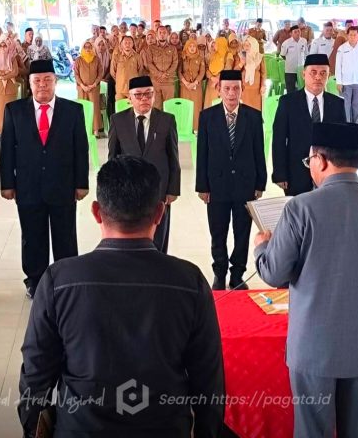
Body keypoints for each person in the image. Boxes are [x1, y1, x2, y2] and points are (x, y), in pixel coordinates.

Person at [18, 155, 224, 438]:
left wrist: (34, 430)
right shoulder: (190, 281)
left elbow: (36, 373)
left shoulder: (59, 280)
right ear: (159, 214)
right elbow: (208, 380)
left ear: (96, 212)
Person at [254, 121, 358, 438]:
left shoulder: (300, 208)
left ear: (322, 160)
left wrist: (262, 246)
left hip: (313, 347)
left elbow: (274, 273)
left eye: (309, 161)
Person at [0, 60, 90, 299]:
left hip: (63, 185)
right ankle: (35, 280)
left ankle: (67, 280)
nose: (42, 85)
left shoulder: (72, 110)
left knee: (65, 236)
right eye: (37, 80)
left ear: (56, 82)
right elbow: (7, 149)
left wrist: (82, 183)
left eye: (47, 80)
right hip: (28, 187)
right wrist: (7, 183)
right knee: (32, 236)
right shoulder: (14, 110)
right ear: (29, 84)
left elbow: (81, 149)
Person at [196, 69, 266, 291]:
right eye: (226, 88)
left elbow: (259, 151)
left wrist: (260, 183)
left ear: (242, 89)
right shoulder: (207, 117)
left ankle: (238, 274)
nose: (231, 93)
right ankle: (219, 272)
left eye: (236, 88)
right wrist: (202, 185)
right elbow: (202, 153)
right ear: (219, 90)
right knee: (218, 232)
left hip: (245, 185)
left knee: (242, 232)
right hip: (216, 186)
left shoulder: (253, 116)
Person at [108, 76, 180, 252]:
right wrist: (113, 189)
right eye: (138, 95)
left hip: (159, 190)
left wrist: (172, 190)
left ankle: (159, 271)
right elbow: (112, 158)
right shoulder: (118, 121)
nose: (144, 99)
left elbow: (173, 157)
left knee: (159, 235)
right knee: (132, 236)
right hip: (128, 190)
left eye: (148, 94)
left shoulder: (166, 120)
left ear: (154, 96)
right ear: (129, 98)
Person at [272, 54, 347, 196]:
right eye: (313, 72)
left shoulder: (337, 103)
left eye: (323, 73)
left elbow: (341, 141)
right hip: (296, 172)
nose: (318, 77)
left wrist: (341, 173)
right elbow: (279, 139)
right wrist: (280, 173)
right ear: (303, 73)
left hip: (328, 174)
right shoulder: (288, 102)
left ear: (328, 76)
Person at [335, 27, 358, 123]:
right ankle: (346, 126)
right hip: (345, 82)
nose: (352, 37)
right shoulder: (341, 48)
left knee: (357, 105)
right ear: (347, 35)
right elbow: (338, 66)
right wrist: (339, 82)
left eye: (355, 35)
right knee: (345, 105)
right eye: (350, 35)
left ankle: (356, 126)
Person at [0, 38, 19, 140]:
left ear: (8, 47)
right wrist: (2, 72)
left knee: (11, 110)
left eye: (4, 45)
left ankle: (12, 131)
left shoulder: (12, 58)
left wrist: (4, 76)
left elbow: (15, 72)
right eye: (0, 46)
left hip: (10, 87)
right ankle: (0, 132)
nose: (2, 48)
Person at [74, 39, 103, 136]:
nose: (87, 49)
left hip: (94, 87)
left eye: (89, 47)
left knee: (94, 107)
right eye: (85, 47)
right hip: (82, 88)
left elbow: (100, 73)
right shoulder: (79, 60)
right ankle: (85, 129)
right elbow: (76, 74)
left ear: (92, 48)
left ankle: (96, 130)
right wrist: (82, 85)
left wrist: (94, 84)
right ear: (82, 48)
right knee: (83, 107)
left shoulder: (96, 59)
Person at [147, 26, 180, 109]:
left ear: (167, 34)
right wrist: (159, 74)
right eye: (160, 33)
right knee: (156, 107)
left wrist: (166, 74)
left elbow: (175, 63)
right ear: (157, 35)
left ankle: (168, 122)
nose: (162, 35)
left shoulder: (172, 49)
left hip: (168, 81)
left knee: (169, 108)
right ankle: (157, 122)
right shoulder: (151, 48)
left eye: (164, 33)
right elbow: (149, 63)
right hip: (155, 82)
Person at [179, 38, 206, 131]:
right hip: (185, 87)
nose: (192, 48)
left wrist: (195, 83)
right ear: (186, 47)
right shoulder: (183, 57)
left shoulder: (200, 58)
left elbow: (202, 72)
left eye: (194, 46)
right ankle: (185, 129)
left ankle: (195, 130)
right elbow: (179, 71)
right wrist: (186, 83)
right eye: (190, 46)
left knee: (196, 108)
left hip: (196, 87)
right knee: (185, 108)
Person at [111, 35, 143, 101]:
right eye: (125, 43)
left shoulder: (137, 56)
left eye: (129, 43)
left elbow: (140, 71)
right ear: (122, 44)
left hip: (133, 89)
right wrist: (120, 79)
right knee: (120, 109)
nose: (127, 44)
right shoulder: (116, 56)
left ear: (133, 44)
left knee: (133, 109)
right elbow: (113, 72)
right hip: (120, 89)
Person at [280, 25, 308, 93]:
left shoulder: (304, 41)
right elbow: (282, 55)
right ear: (291, 33)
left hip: (301, 69)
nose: (298, 33)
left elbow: (306, 54)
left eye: (299, 31)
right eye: (295, 32)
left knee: (302, 89)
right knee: (290, 89)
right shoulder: (286, 43)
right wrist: (290, 60)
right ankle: (290, 103)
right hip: (290, 70)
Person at [241, 36, 266, 110]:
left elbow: (263, 73)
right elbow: (236, 71)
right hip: (244, 88)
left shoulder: (259, 57)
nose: (246, 47)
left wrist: (263, 85)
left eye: (248, 45)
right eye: (244, 45)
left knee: (255, 110)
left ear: (253, 45)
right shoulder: (242, 55)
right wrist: (241, 64)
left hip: (256, 89)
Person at [204, 37, 228, 108]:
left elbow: (227, 68)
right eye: (212, 45)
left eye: (216, 44)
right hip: (211, 82)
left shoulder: (227, 55)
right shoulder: (209, 56)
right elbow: (206, 69)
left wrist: (217, 78)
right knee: (210, 102)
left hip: (222, 82)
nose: (214, 47)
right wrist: (212, 78)